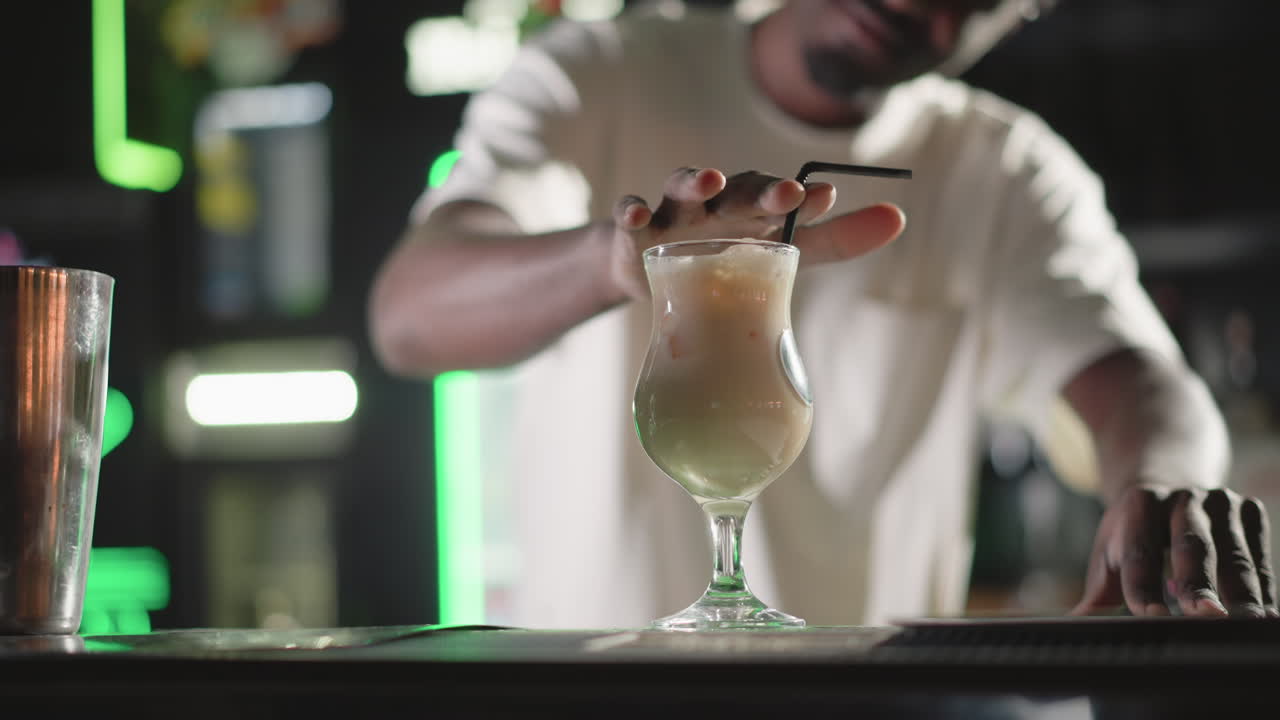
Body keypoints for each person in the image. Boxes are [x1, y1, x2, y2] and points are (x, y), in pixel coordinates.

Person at [368, 0, 1276, 628]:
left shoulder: (1004, 172)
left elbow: (1138, 382)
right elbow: (410, 316)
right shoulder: (597, 73)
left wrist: (1166, 480)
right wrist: (607, 261)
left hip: (859, 700)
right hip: (594, 689)